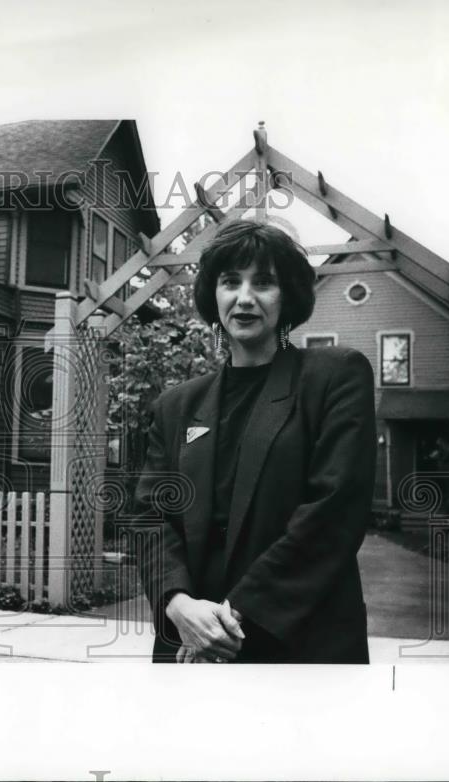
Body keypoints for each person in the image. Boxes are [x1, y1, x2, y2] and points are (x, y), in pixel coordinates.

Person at [133, 219, 377, 664]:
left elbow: (334, 510)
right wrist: (178, 605)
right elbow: (151, 516)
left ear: (287, 297)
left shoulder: (335, 376)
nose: (244, 298)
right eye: (230, 282)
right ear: (214, 295)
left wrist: (227, 621)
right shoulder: (176, 407)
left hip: (298, 641)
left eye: (263, 282)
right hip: (188, 639)